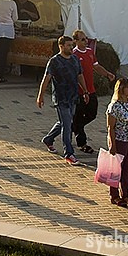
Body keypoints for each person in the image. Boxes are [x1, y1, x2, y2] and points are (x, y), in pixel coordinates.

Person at [37, 35, 87, 166]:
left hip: (73, 97)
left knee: (65, 122)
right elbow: (46, 79)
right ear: (61, 46)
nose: (71, 48)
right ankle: (69, 153)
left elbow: (80, 75)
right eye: (69, 45)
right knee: (67, 125)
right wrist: (40, 95)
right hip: (61, 98)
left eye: (72, 45)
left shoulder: (75, 59)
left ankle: (48, 139)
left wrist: (85, 91)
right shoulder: (54, 61)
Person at [71, 29, 115, 154]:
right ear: (76, 41)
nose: (86, 41)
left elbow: (96, 66)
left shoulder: (90, 52)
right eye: (82, 39)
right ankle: (82, 143)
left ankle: (74, 126)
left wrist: (107, 74)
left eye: (86, 38)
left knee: (92, 114)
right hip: (79, 92)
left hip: (91, 90)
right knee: (79, 115)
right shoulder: (74, 55)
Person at [105, 77, 128, 207]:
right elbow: (110, 127)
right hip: (120, 140)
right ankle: (114, 195)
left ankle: (125, 194)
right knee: (116, 169)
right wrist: (112, 144)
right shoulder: (114, 106)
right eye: (127, 87)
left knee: (127, 168)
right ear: (121, 89)